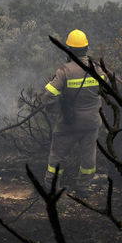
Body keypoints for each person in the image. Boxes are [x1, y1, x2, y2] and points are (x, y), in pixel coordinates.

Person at [42, 29, 104, 192]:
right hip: (91, 122)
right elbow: (106, 91)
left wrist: (55, 109)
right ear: (86, 48)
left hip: (68, 123)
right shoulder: (97, 69)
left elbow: (48, 96)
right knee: (88, 157)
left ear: (69, 50)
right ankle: (84, 187)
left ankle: (52, 187)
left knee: (57, 155)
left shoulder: (65, 71)